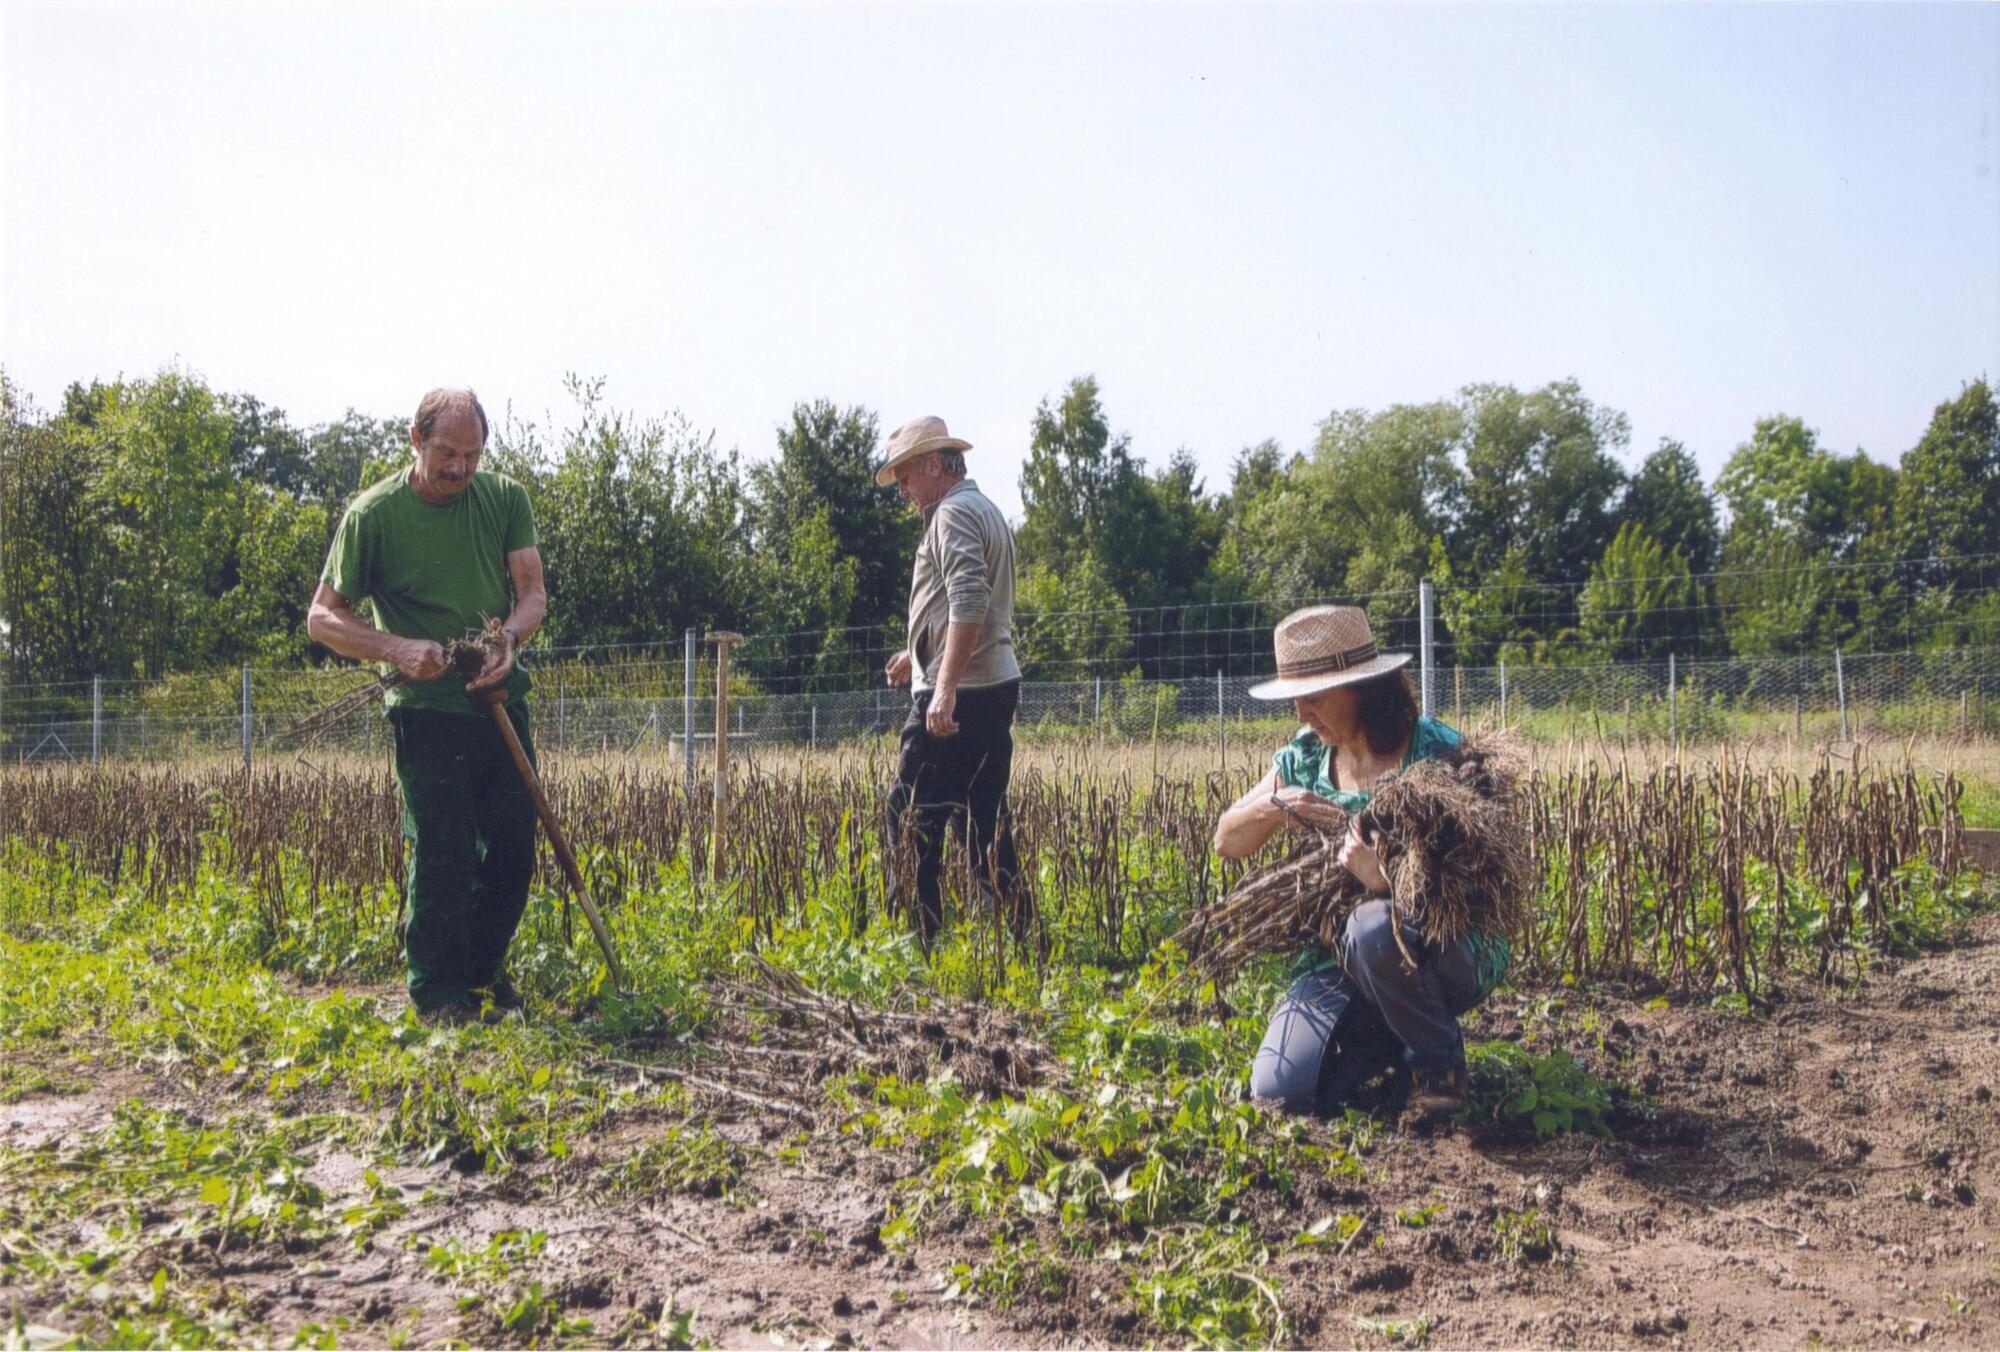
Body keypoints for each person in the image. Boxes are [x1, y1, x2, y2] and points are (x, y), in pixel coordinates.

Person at [305, 387, 547, 1022]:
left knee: (515, 846)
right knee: (444, 849)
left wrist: (510, 642)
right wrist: (398, 650)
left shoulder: (504, 500)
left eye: (472, 455)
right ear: (415, 439)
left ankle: (481, 975)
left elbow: (532, 596)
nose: (460, 469)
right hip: (425, 708)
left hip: (499, 697)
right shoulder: (373, 516)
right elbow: (322, 619)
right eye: (447, 453)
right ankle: (437, 995)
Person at [1212, 605, 1510, 1118]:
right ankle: (1396, 1035)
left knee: (1371, 925)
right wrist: (1276, 805)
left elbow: (1480, 891)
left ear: (1363, 688)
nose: (1302, 714)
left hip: (1444, 948)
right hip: (1340, 959)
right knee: (1280, 1091)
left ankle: (1441, 1067)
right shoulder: (1304, 757)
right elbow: (1226, 840)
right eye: (1295, 700)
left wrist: (1386, 883)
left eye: (1314, 698)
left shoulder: (1439, 756)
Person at [878, 414, 1027, 945]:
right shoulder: (984, 509)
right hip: (991, 684)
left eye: (906, 478)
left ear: (936, 465)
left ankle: (922, 941)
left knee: (908, 814)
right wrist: (917, 657)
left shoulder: (950, 517)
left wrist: (941, 687)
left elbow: (970, 598)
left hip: (960, 695)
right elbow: (965, 609)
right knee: (981, 817)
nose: (903, 492)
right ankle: (1018, 933)